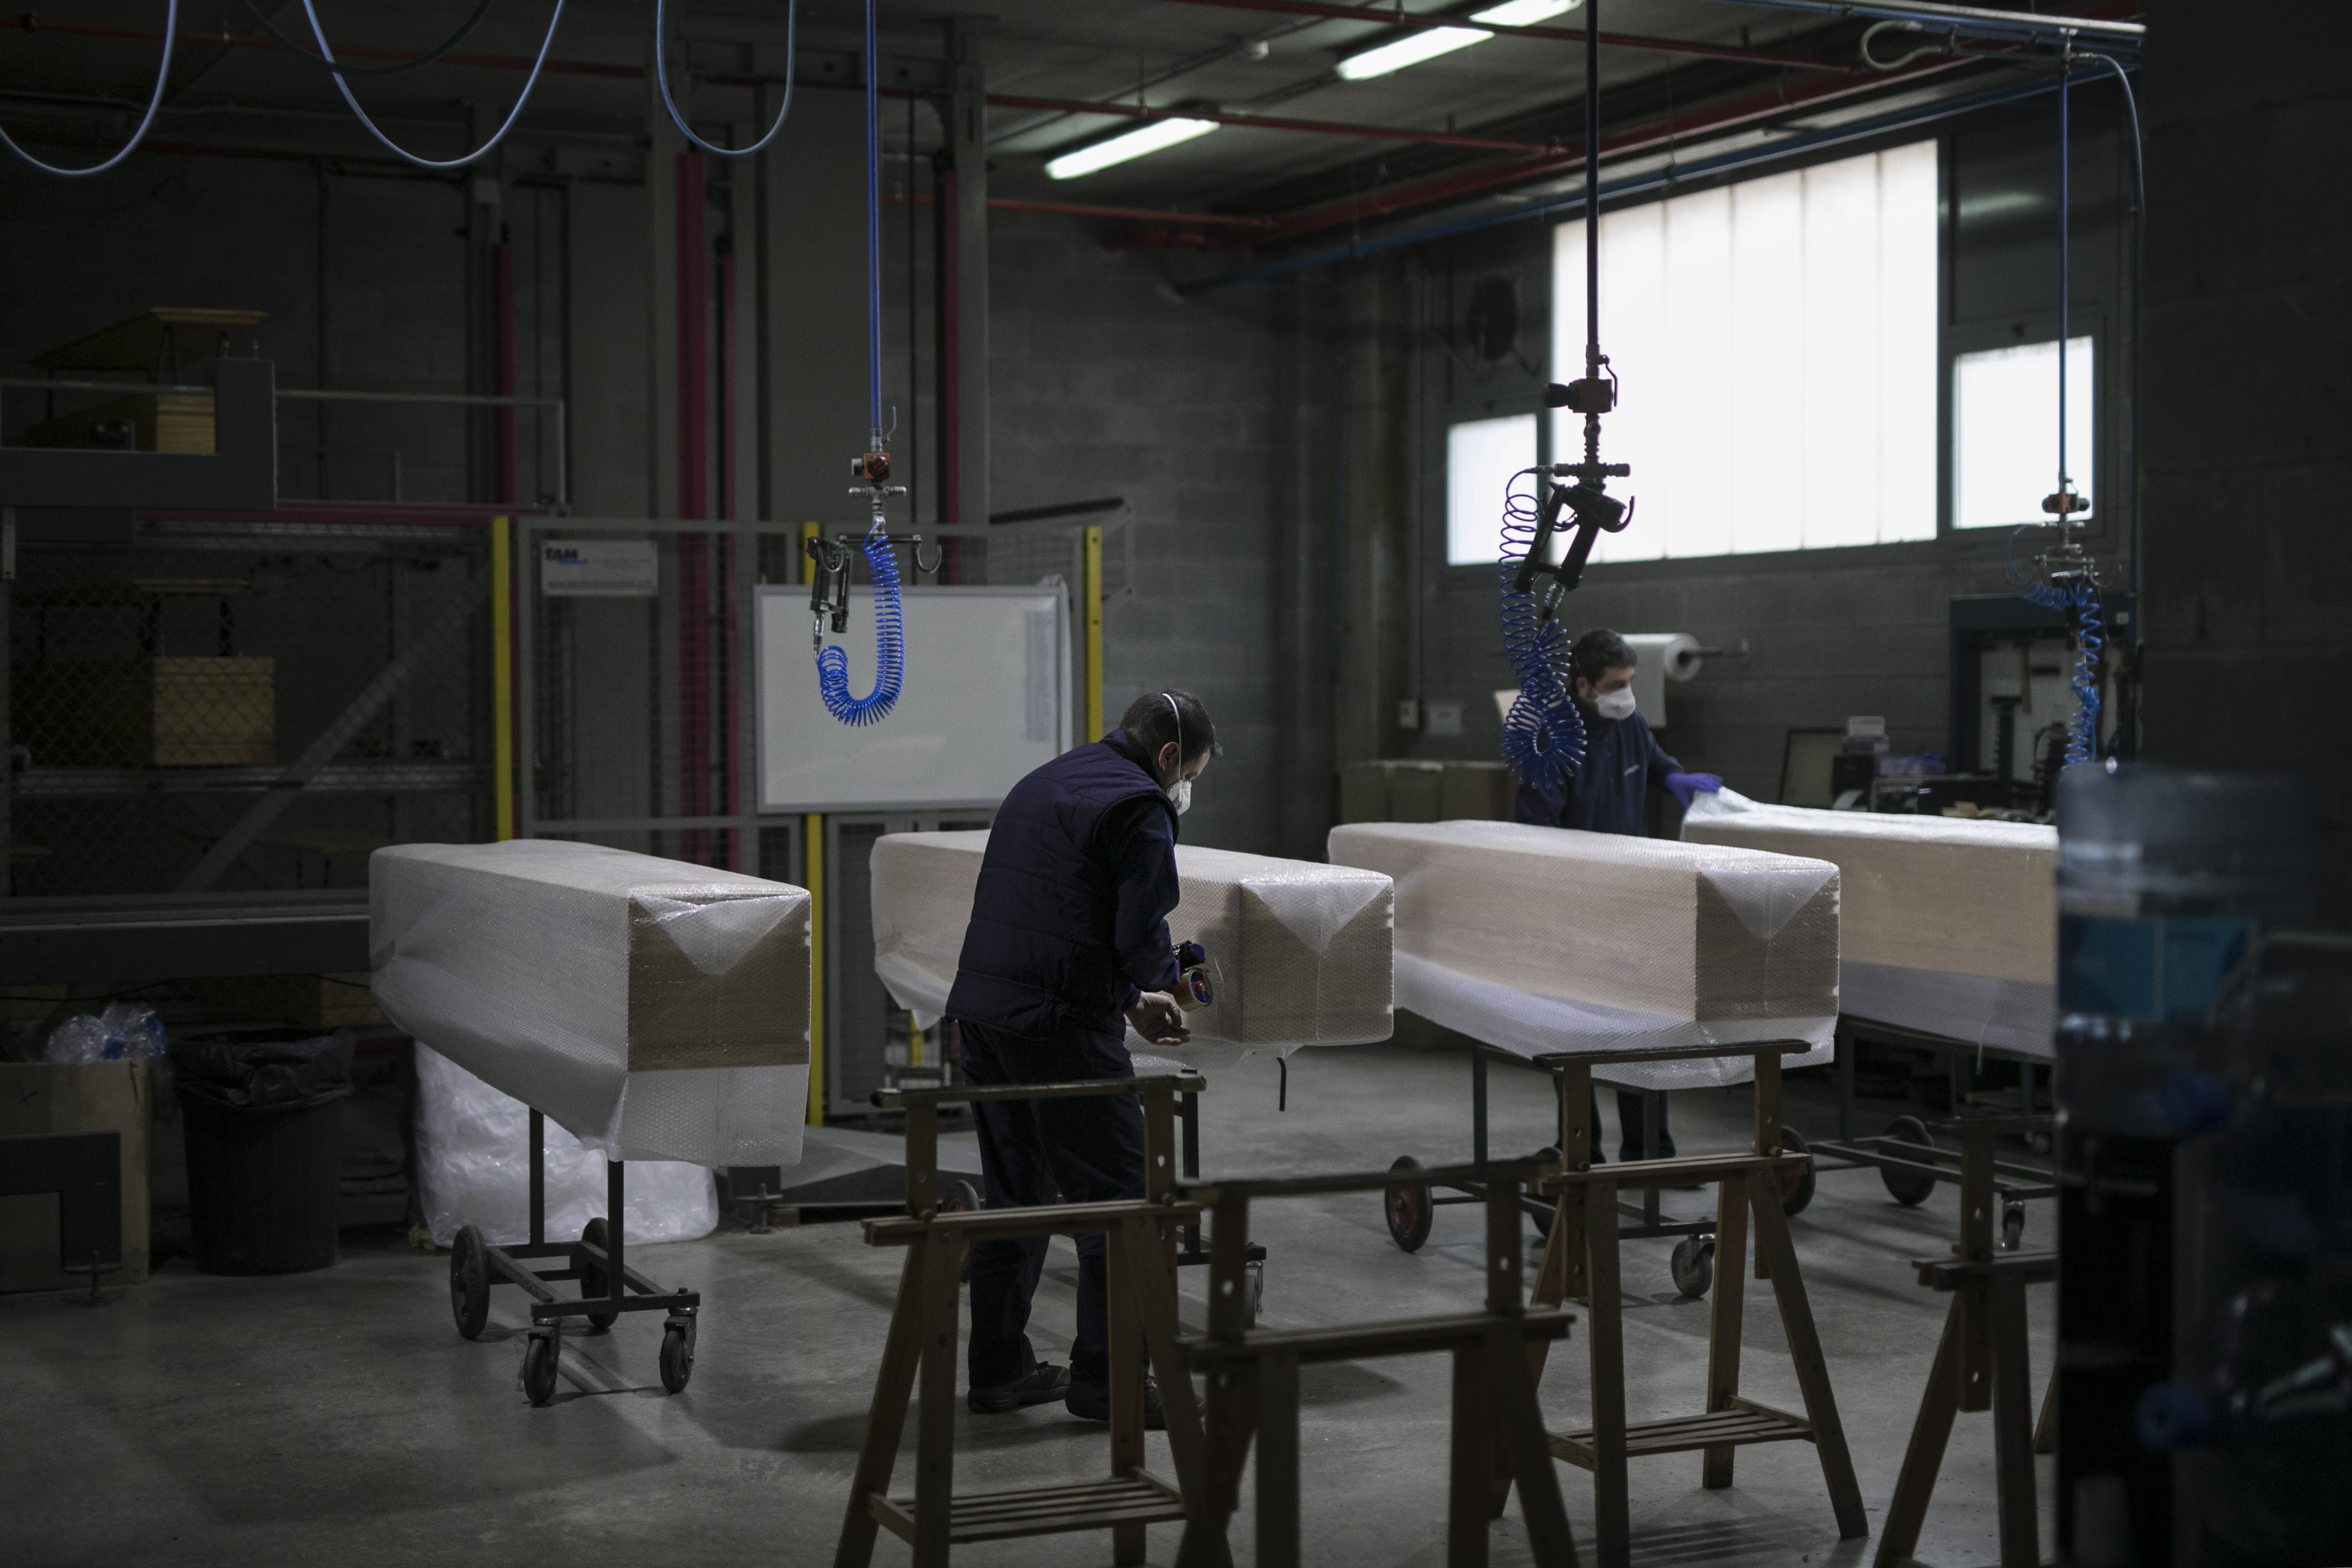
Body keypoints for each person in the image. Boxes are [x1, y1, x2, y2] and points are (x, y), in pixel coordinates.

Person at [943, 688, 1218, 1425]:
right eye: (1191, 773)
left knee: (1018, 1199)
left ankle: (1000, 1373)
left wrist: (1127, 998)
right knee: (1125, 1205)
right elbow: (1139, 931)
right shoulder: (1140, 805)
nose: (1187, 788)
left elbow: (1064, 908)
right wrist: (1174, 979)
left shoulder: (1049, 779)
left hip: (984, 1012)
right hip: (1059, 1025)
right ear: (1167, 758)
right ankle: (1110, 1381)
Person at [1515, 629, 1721, 1161]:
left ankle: (1650, 1148)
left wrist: (1676, 779)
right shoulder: (1550, 740)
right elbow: (1533, 831)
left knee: (1644, 1025)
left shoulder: (1628, 723)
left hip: (1635, 900)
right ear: (1583, 685)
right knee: (1573, 1034)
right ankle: (1579, 1150)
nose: (1625, 693)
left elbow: (1654, 764)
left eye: (1630, 682)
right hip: (1573, 907)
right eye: (1615, 684)